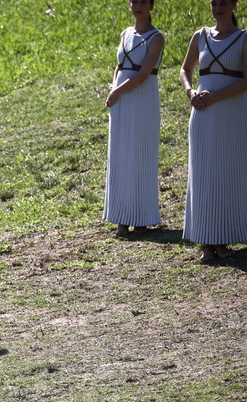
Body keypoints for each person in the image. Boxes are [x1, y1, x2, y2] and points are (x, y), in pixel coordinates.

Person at [180, 0, 247, 262]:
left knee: (229, 172)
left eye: (223, 2)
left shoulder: (243, 38)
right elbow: (185, 69)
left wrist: (216, 96)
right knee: (204, 173)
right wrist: (190, 93)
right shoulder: (201, 36)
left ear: (233, 5)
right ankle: (207, 242)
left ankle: (224, 237)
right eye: (214, 2)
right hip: (203, 113)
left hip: (232, 114)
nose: (218, 7)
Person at [103, 0, 165, 238]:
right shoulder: (126, 33)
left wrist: (118, 90)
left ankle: (141, 217)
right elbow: (120, 65)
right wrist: (113, 87)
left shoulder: (156, 37)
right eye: (134, 1)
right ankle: (121, 218)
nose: (138, 5)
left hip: (141, 97)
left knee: (140, 154)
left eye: (143, 1)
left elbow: (144, 73)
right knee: (120, 154)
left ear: (151, 6)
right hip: (120, 98)